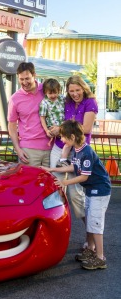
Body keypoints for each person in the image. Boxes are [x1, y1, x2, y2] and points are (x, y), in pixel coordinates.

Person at [43, 120, 111, 270]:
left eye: (63, 137)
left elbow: (83, 177)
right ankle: (91, 250)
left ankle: (100, 258)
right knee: (91, 220)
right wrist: (52, 169)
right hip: (92, 190)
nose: (61, 140)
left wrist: (65, 183)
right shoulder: (78, 149)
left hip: (99, 191)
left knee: (96, 224)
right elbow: (73, 166)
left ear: (72, 137)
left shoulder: (86, 153)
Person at [49, 75, 98, 225]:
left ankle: (91, 233)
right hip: (59, 146)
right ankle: (55, 226)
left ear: (83, 88)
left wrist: (61, 129)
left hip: (78, 150)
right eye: (71, 91)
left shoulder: (90, 102)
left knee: (76, 194)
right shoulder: (65, 102)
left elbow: (87, 128)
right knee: (55, 187)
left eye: (77, 90)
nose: (75, 94)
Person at [7, 62, 51, 167]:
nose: (24, 82)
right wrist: (17, 149)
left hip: (51, 148)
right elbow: (11, 125)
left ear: (34, 75)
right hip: (28, 150)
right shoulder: (15, 99)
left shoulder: (46, 90)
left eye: (27, 78)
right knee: (28, 182)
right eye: (21, 79)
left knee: (52, 182)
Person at [39, 78, 71, 160]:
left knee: (68, 140)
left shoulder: (61, 98)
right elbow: (42, 117)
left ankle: (63, 158)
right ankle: (62, 158)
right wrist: (46, 130)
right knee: (65, 139)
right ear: (45, 92)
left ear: (59, 91)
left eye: (55, 93)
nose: (53, 95)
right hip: (52, 126)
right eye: (50, 93)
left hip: (63, 125)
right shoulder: (44, 102)